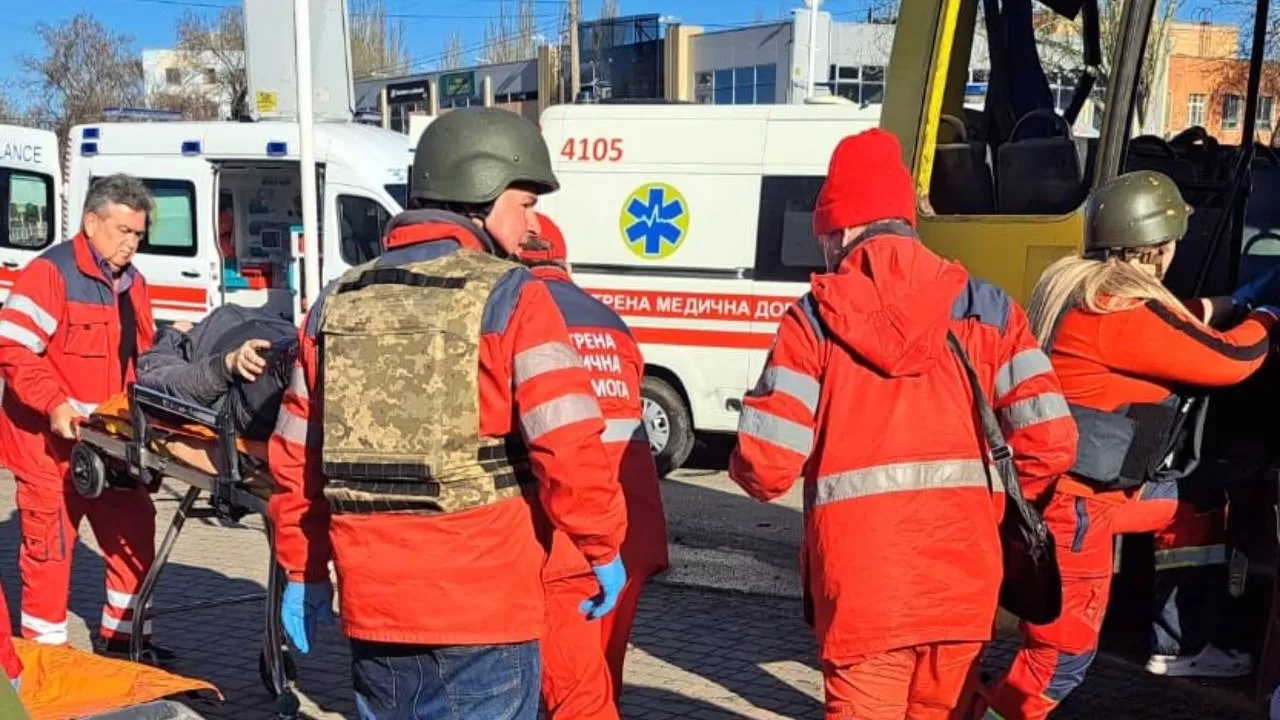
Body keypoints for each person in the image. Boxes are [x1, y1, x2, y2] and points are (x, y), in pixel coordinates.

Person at [266, 107, 628, 720]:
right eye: (525, 203)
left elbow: (297, 460)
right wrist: (602, 545)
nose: (533, 224)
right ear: (479, 195)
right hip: (484, 610)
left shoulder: (337, 302)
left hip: (374, 610)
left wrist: (302, 569)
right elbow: (568, 445)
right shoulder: (514, 297)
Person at [726, 128, 1078, 720]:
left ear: (837, 231)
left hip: (863, 594)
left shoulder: (813, 320)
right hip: (964, 586)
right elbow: (1052, 440)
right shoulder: (988, 307)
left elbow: (766, 468)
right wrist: (986, 509)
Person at [983, 170, 1280, 719]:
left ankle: (1181, 642)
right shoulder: (1119, 314)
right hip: (1079, 514)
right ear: (1159, 249)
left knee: (1189, 500)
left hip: (1068, 495)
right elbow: (1231, 360)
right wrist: (1268, 316)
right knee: (1060, 658)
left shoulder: (1079, 290)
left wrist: (1235, 303)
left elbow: (1175, 321)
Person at [0, 174, 166, 660]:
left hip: (110, 444)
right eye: (122, 231)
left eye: (138, 234)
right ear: (91, 223)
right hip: (46, 447)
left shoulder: (135, 286)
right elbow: (12, 349)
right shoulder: (49, 274)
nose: (131, 244)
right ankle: (47, 659)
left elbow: (143, 359)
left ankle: (126, 643)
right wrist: (54, 403)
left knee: (135, 536)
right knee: (49, 552)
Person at [518, 213, 670, 719]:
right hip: (631, 527)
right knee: (602, 673)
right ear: (564, 260)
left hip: (567, 535)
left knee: (576, 693)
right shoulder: (609, 320)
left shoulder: (516, 315)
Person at [136, 304, 298, 440]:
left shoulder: (176, 349)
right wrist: (226, 366)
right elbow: (160, 384)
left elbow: (153, 376)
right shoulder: (184, 353)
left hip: (271, 339)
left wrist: (173, 334)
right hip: (272, 346)